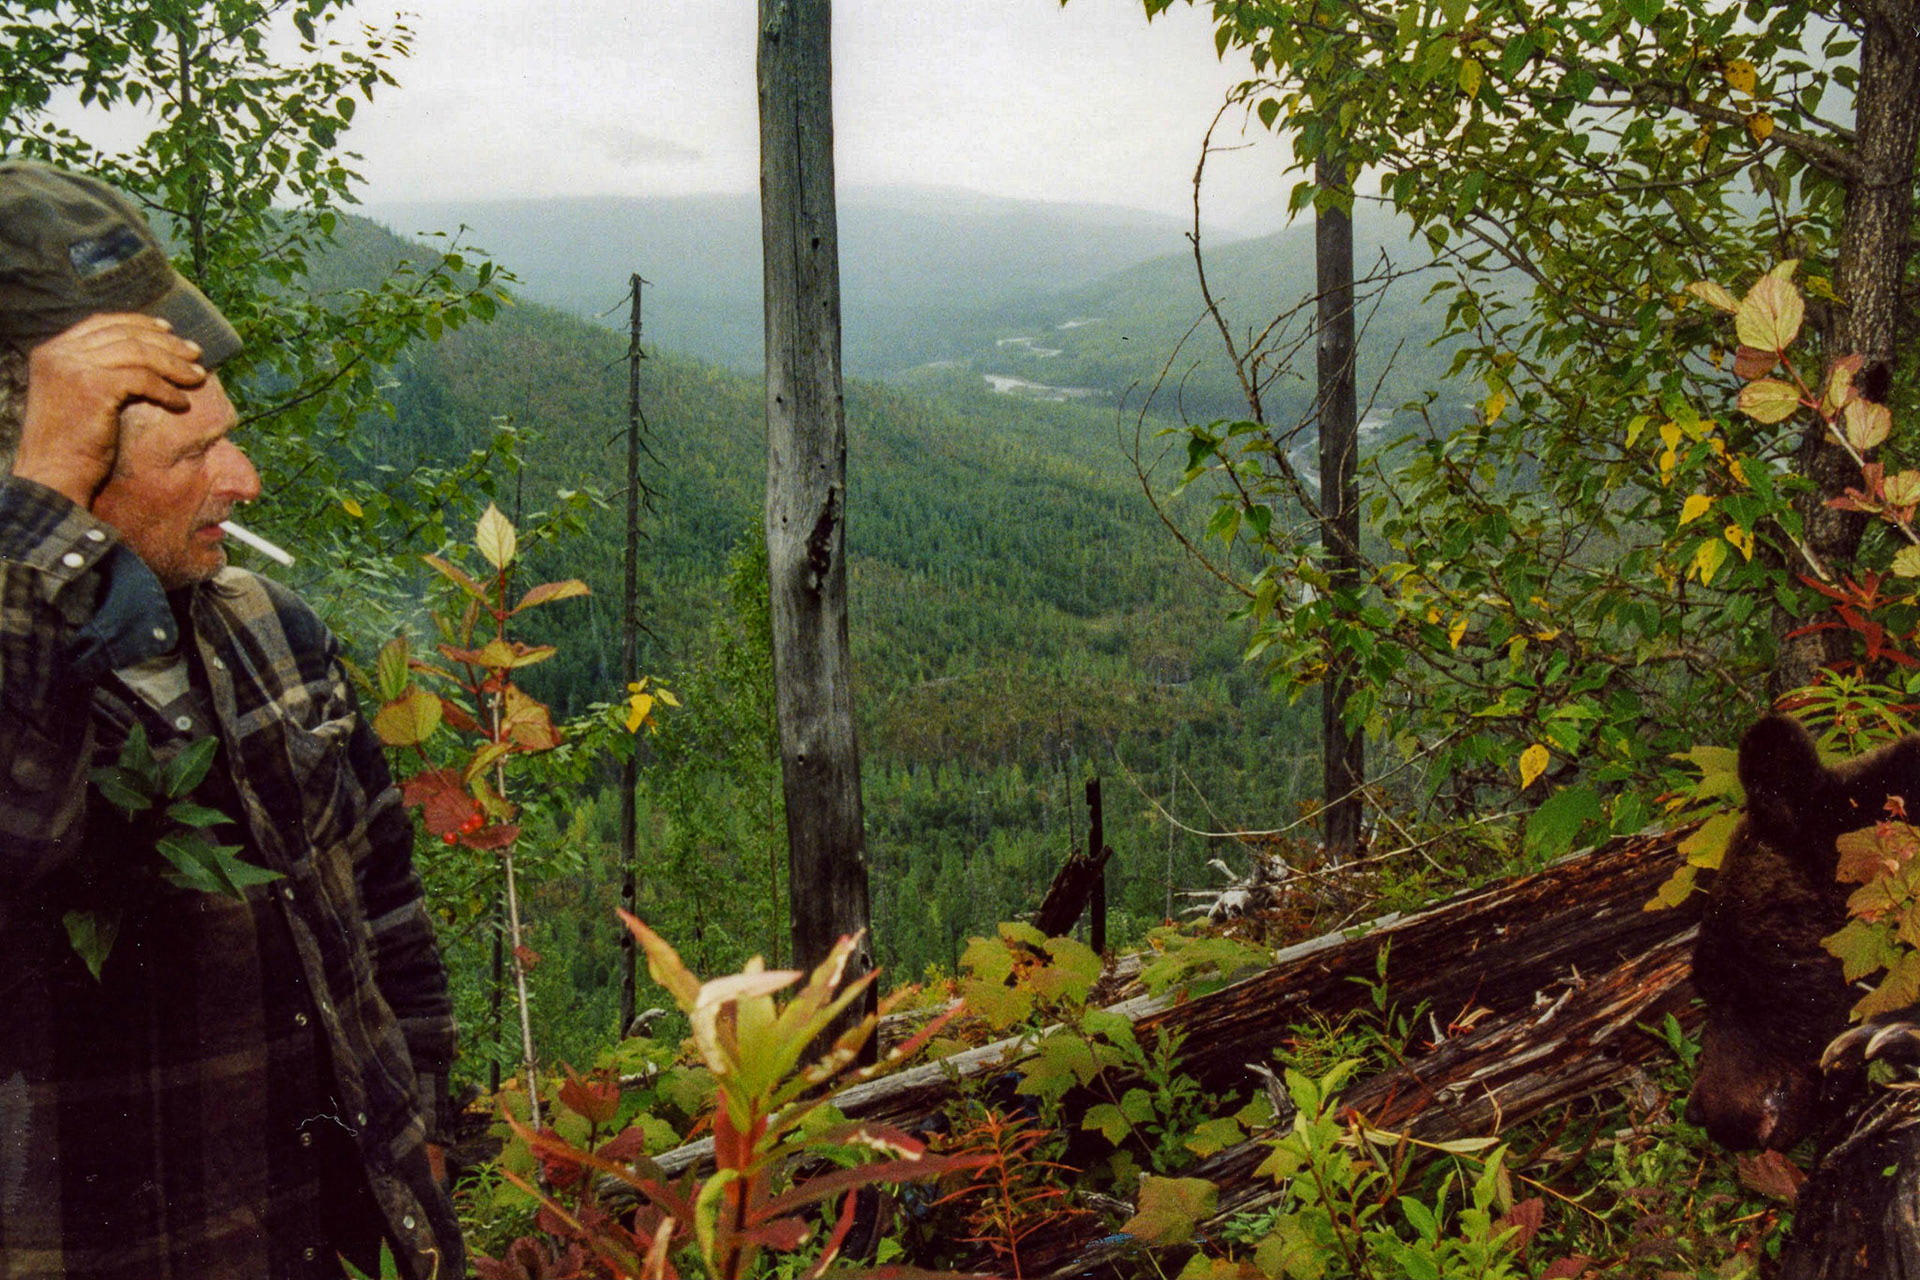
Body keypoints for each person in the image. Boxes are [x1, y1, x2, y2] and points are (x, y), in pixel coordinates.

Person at [0, 162, 462, 1278]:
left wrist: (432, 1131)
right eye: (190, 452)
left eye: (227, 432)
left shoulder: (272, 628)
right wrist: (42, 505)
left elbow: (383, 908)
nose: (243, 478)